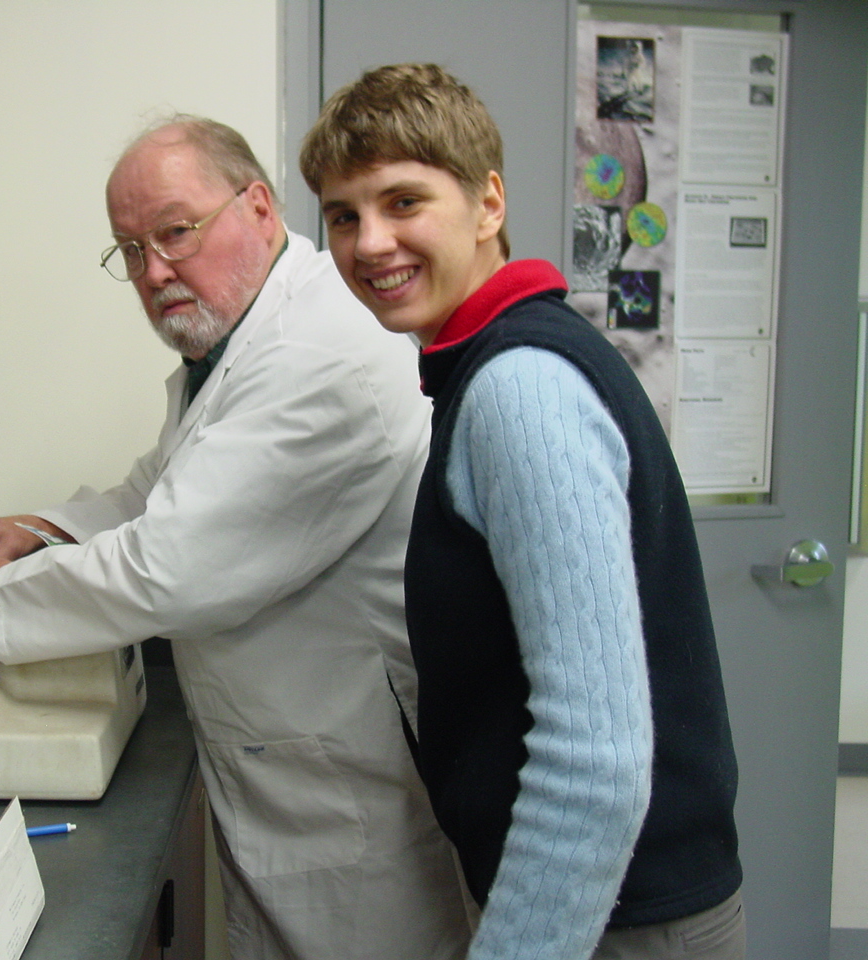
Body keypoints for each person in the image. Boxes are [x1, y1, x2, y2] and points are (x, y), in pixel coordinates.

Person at [0, 115, 471, 960]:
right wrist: (43, 530)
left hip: (347, 797)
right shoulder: (242, 335)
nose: (154, 270)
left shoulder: (326, 353)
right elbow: (166, 482)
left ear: (256, 207)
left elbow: (172, 565)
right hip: (286, 766)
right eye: (131, 250)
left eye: (175, 233)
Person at [299, 63, 744, 960]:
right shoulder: (508, 360)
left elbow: (597, 761)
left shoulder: (520, 390)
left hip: (619, 922)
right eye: (344, 215)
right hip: (605, 905)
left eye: (403, 202)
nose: (370, 242)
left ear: (488, 203)